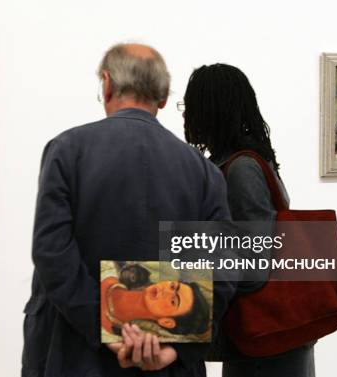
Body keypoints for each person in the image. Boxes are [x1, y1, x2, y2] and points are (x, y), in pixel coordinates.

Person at [23, 43, 232, 377]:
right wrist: (173, 350)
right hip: (166, 366)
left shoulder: (67, 151)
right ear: (163, 97)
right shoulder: (203, 171)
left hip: (75, 354)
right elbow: (219, 272)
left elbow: (52, 253)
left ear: (106, 84)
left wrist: (107, 329)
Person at [182, 63, 314, 377]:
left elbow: (255, 264)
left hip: (267, 339)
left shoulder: (241, 169)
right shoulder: (245, 160)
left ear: (212, 110)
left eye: (191, 107)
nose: (185, 116)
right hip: (266, 337)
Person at [101, 275, 210, 337]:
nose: (166, 291)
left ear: (166, 322)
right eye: (172, 286)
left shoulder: (112, 337)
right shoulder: (108, 272)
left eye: (173, 301)